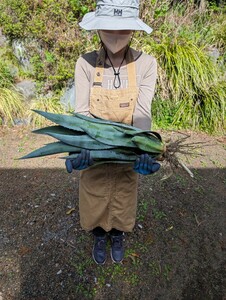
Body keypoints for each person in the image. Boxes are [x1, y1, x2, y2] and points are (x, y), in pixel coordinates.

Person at [65, 0, 160, 265]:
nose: (116, 36)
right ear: (98, 28)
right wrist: (81, 149)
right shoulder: (84, 64)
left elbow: (142, 112)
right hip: (94, 149)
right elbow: (82, 113)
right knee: (93, 190)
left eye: (123, 30)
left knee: (124, 192)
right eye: (110, 29)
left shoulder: (146, 64)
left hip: (127, 151)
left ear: (133, 30)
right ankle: (98, 233)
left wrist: (144, 148)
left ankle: (117, 233)